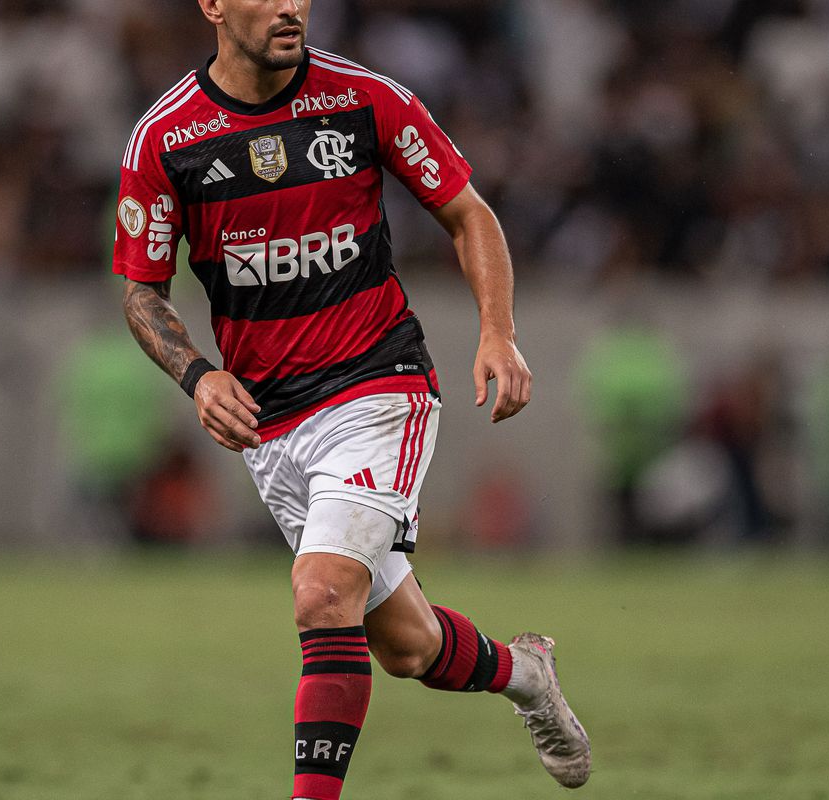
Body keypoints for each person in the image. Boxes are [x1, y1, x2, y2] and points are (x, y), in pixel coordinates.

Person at [111, 2, 591, 797]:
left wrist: (498, 332)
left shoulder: (365, 98)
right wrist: (198, 375)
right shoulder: (165, 137)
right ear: (213, 5)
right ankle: (525, 674)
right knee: (405, 647)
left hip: (377, 386)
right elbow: (141, 291)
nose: (292, 5)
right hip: (269, 424)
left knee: (321, 593)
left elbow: (469, 215)